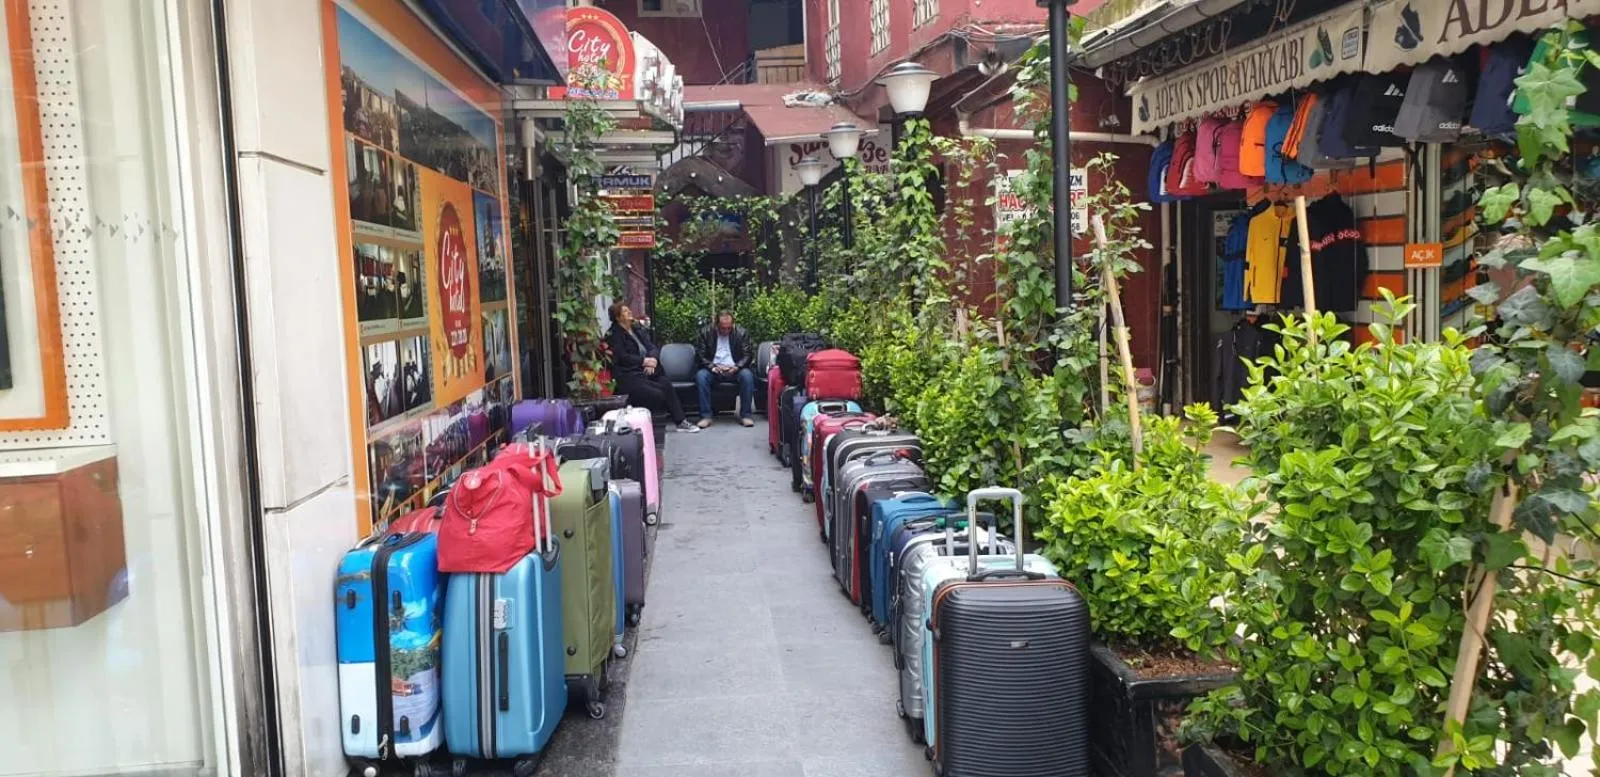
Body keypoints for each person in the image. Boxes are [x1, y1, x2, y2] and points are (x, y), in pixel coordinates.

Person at [606, 302, 698, 433]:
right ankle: (648, 426)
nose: (630, 312)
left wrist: (653, 360)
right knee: (658, 394)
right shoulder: (615, 335)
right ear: (618, 317)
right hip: (630, 375)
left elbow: (652, 347)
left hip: (649, 371)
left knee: (666, 384)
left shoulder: (637, 329)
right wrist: (644, 361)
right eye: (625, 312)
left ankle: (681, 422)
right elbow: (622, 357)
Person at [693, 311, 756, 428]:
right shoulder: (705, 333)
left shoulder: (741, 333)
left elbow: (748, 355)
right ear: (716, 325)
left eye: (729, 328)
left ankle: (746, 415)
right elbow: (699, 355)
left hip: (735, 369)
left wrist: (737, 367)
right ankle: (705, 416)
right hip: (714, 369)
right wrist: (713, 367)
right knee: (701, 376)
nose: (726, 331)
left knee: (747, 376)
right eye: (723, 328)